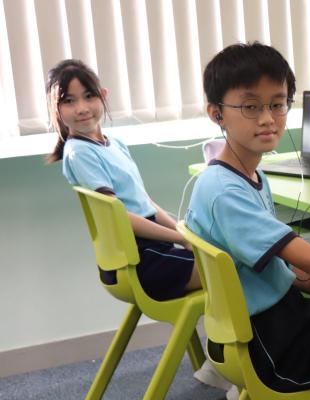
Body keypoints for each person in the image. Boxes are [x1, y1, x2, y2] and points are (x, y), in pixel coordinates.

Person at [45, 59, 237, 397]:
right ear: (55, 109)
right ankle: (227, 366)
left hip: (150, 249)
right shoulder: (79, 153)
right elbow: (122, 218)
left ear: (103, 96)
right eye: (69, 101)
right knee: (231, 272)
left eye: (88, 96)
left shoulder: (114, 144)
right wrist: (180, 238)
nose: (82, 108)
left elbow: (143, 202)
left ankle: (219, 364)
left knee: (220, 259)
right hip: (142, 259)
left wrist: (183, 233)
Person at [185, 42, 310, 392]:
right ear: (216, 113)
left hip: (286, 317)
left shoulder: (252, 176)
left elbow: (287, 270)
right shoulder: (224, 191)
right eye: (250, 106)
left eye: (277, 104)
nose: (267, 119)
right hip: (268, 346)